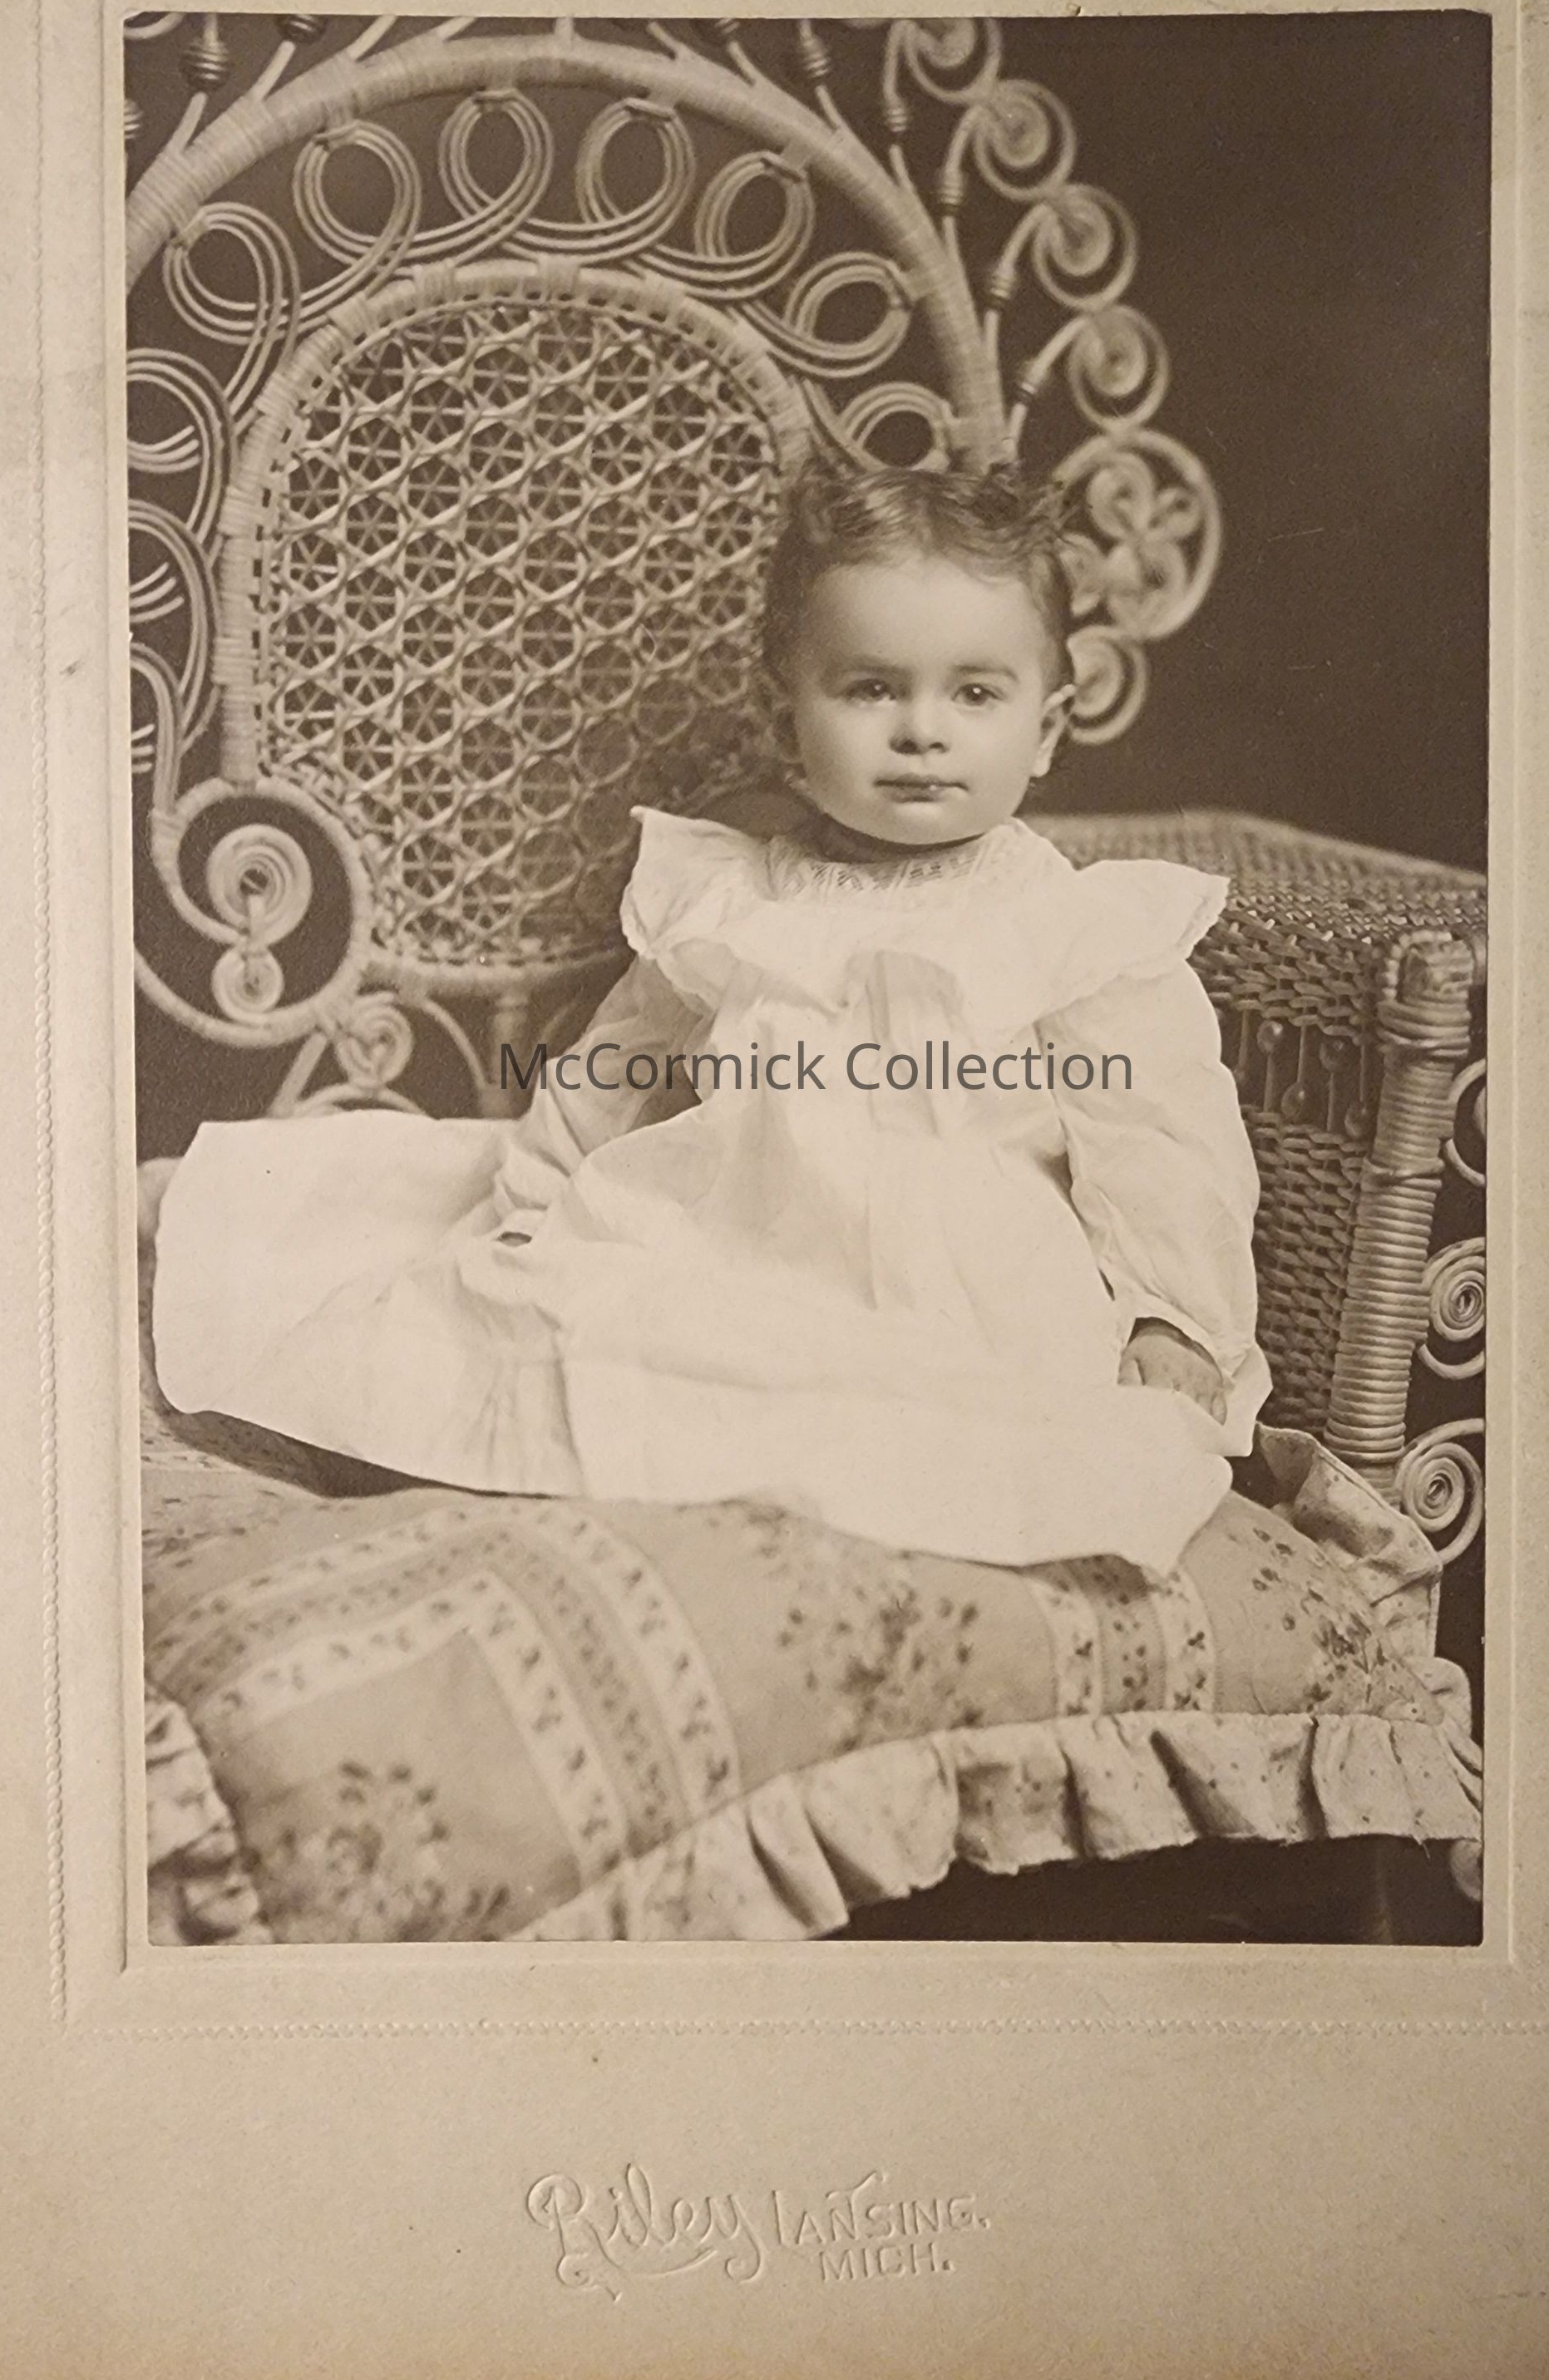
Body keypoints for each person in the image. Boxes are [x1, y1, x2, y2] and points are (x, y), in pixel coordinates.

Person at [151, 459, 1271, 1573]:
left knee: (970, 1421)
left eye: (975, 694)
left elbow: (1163, 1144)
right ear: (788, 721)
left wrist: (1176, 1319)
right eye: (871, 689)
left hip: (958, 1288)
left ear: (1048, 726)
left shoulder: (1076, 930)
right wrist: (530, 1212)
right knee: (552, 1327)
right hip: (728, 1239)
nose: (922, 731)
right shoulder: (729, 898)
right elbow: (609, 1074)